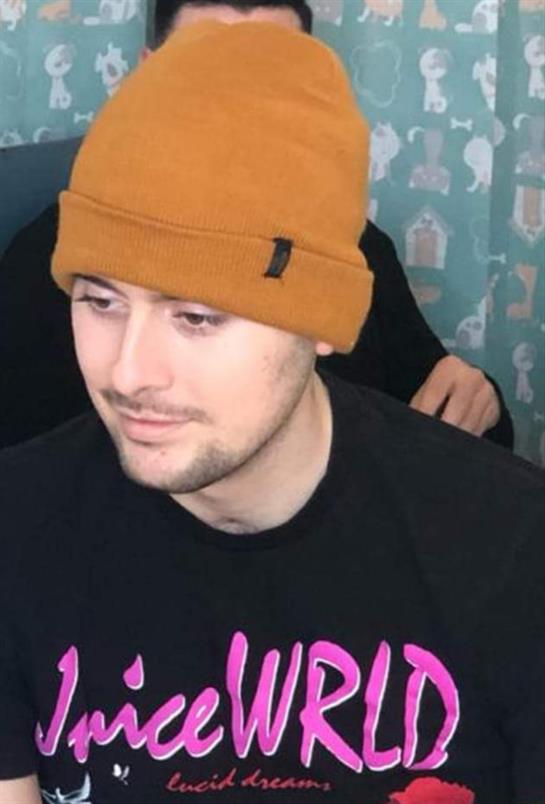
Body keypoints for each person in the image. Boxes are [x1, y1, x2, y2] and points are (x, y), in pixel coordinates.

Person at [0, 21, 543, 804]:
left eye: (197, 317)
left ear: (322, 323)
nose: (128, 372)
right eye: (99, 301)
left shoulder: (512, 555)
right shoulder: (18, 530)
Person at [0, 0, 514, 450]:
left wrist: (476, 397)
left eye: (272, 78)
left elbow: (444, 410)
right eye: (209, 69)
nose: (240, 109)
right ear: (147, 76)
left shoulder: (348, 245)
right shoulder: (57, 255)